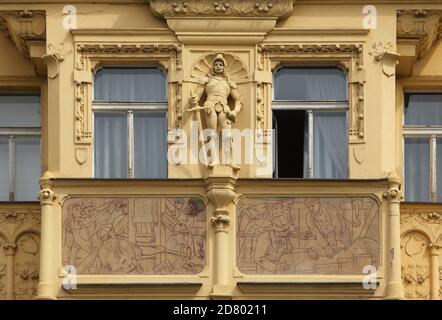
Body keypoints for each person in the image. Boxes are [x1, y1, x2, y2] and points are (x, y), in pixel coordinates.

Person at [188, 53, 243, 168]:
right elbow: (198, 95)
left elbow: (238, 99)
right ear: (213, 67)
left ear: (224, 67)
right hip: (210, 106)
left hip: (224, 108)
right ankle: (214, 159)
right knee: (212, 134)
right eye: (216, 64)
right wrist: (195, 99)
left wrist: (235, 111)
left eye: (220, 64)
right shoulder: (206, 81)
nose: (218, 66)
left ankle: (230, 161)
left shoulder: (228, 82)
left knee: (227, 135)